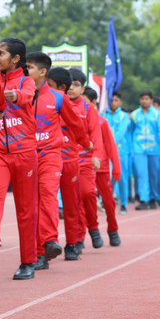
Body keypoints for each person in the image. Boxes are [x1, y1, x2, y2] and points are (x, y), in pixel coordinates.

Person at [0, 38, 39, 280]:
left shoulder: (27, 81)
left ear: (15, 59)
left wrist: (5, 96)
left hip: (24, 152)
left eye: (1, 53)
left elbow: (26, 96)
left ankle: (28, 261)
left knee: (25, 209)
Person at [26, 54, 89, 270]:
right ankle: (38, 252)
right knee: (33, 205)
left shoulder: (61, 101)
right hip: (28, 157)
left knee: (58, 201)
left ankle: (68, 242)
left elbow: (80, 129)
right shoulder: (22, 96)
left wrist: (87, 145)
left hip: (63, 157)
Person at [67, 70, 105, 250]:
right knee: (74, 201)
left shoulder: (89, 109)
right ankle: (78, 237)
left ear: (82, 89)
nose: (71, 88)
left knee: (87, 194)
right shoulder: (61, 104)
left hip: (86, 160)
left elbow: (96, 135)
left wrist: (97, 155)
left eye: (76, 84)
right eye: (69, 84)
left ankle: (94, 228)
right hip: (66, 158)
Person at [84, 87, 121, 246]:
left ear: (93, 103)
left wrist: (116, 169)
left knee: (108, 202)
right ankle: (87, 233)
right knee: (86, 201)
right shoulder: (75, 119)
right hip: (84, 167)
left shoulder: (102, 122)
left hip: (102, 168)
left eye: (85, 102)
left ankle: (113, 230)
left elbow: (111, 146)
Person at [129, 91, 160, 210]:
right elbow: (132, 130)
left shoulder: (157, 114)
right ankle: (144, 199)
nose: (144, 101)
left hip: (154, 148)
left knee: (153, 174)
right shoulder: (134, 115)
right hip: (139, 149)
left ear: (151, 101)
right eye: (142, 99)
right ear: (140, 100)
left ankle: (153, 198)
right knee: (141, 174)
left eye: (147, 99)